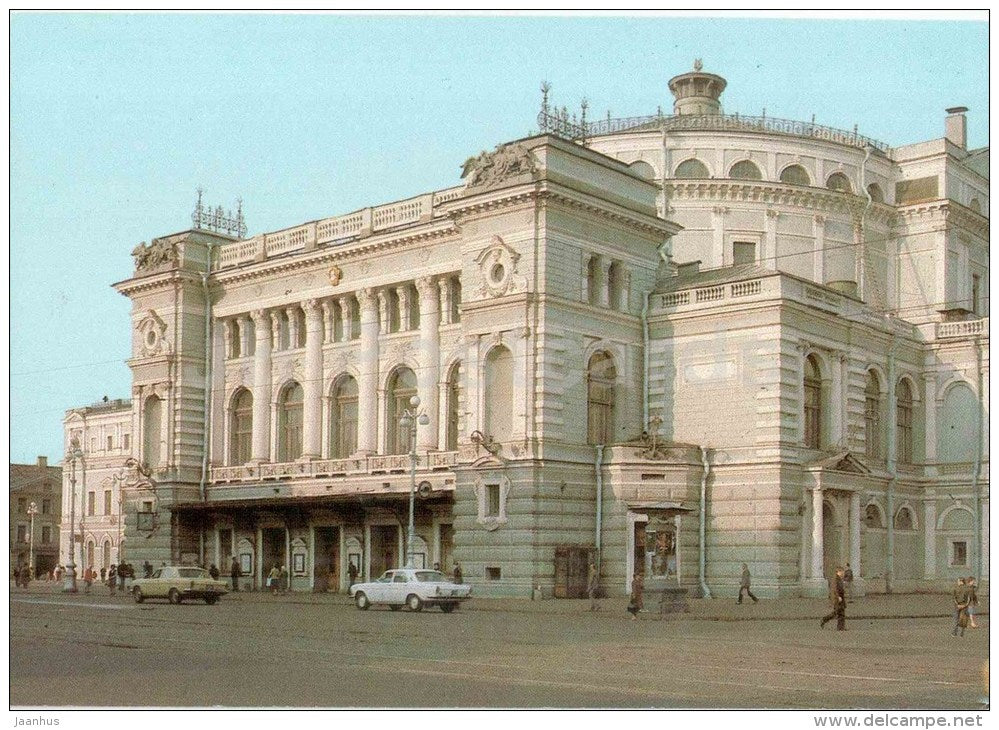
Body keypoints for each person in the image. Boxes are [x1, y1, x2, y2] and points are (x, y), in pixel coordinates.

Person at [820, 566, 847, 630]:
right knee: (836, 613)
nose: (843, 573)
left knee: (841, 614)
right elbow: (834, 589)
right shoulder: (835, 579)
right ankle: (824, 619)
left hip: (841, 598)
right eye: (842, 572)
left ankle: (840, 628)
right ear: (839, 572)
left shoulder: (839, 579)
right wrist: (838, 597)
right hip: (838, 599)